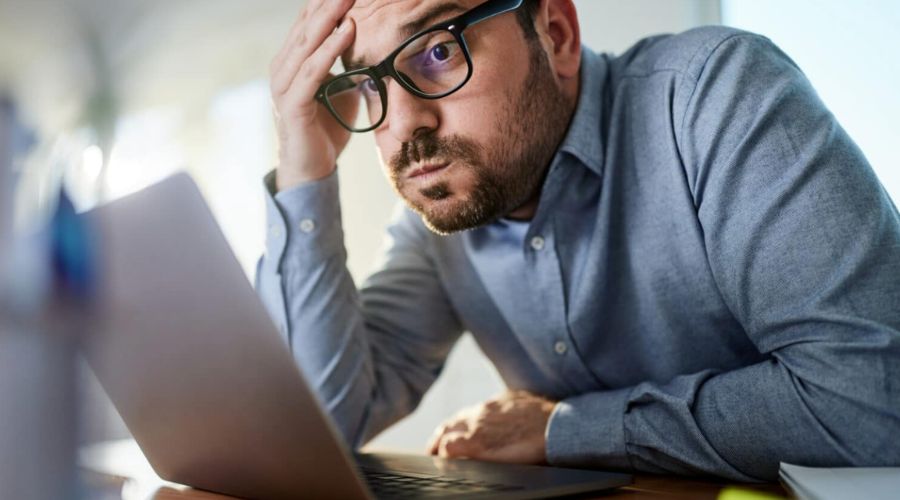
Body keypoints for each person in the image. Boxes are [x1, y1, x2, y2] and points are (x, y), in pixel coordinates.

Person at [256, 0, 900, 481]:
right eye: (368, 84)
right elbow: (320, 428)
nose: (402, 126)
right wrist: (302, 167)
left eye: (438, 50)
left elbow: (871, 404)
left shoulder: (714, 96)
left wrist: (567, 430)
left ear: (555, 34)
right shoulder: (438, 229)